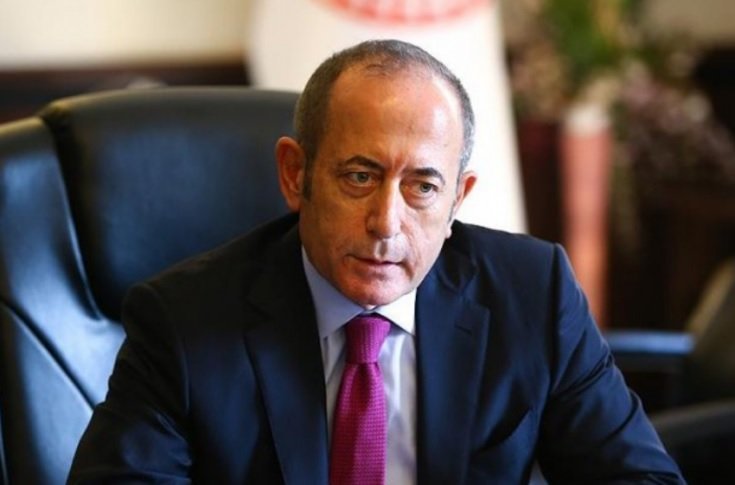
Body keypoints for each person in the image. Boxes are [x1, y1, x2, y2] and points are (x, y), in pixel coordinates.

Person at [68, 39, 682, 484]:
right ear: (296, 174)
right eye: (360, 176)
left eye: (423, 187)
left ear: (457, 199)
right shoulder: (183, 321)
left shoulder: (532, 294)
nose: (387, 223)